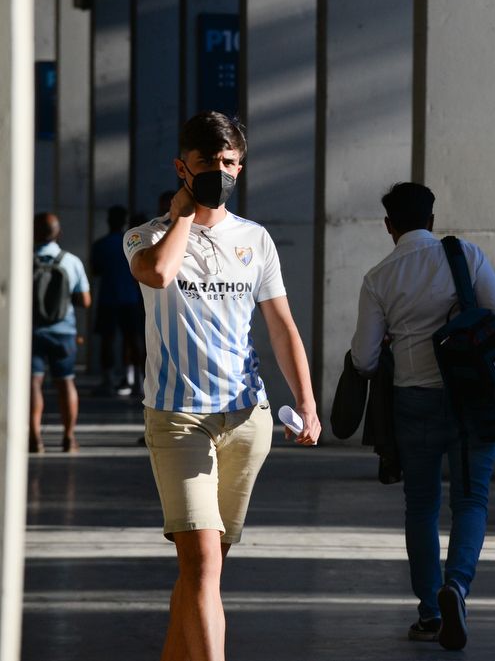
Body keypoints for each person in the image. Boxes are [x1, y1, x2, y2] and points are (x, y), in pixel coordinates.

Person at [125, 111, 321, 661]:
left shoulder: (255, 240)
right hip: (178, 418)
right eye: (209, 163)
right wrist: (184, 214)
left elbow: (281, 324)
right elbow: (159, 275)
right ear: (181, 166)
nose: (222, 172)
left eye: (231, 163)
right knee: (203, 566)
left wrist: (306, 403)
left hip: (246, 418)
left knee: (203, 572)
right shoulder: (146, 237)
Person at [349, 182, 495, 651]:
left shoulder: (379, 277)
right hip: (472, 398)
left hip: (414, 401)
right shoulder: (465, 255)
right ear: (432, 219)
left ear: (389, 226)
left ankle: (429, 613)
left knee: (421, 507)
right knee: (471, 500)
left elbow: (364, 360)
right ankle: (457, 587)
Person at [30, 212, 91, 453]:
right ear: (59, 233)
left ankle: (34, 438)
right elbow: (85, 300)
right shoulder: (71, 261)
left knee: (33, 383)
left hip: (31, 332)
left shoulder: (23, 259)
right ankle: (68, 437)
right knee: (66, 382)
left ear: (33, 233)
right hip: (63, 331)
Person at [91, 204, 144, 396]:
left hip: (108, 298)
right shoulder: (131, 244)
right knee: (133, 338)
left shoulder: (101, 244)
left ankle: (108, 380)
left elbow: (96, 270)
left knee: (108, 339)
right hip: (129, 298)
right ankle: (137, 381)